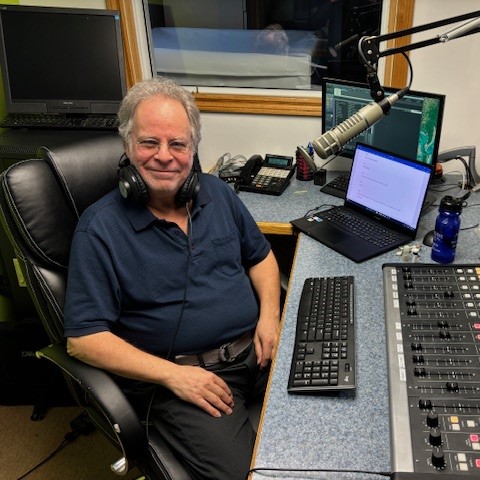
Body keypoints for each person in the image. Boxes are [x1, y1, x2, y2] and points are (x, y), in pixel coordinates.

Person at [64, 76, 281, 480]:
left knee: (333, 409)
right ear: (128, 146)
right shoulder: (99, 230)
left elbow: (262, 257)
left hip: (258, 351)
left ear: (193, 149)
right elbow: (83, 340)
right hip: (189, 380)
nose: (164, 156)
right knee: (254, 475)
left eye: (177, 144)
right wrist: (174, 376)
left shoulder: (218, 194)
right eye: (149, 142)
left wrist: (270, 316)